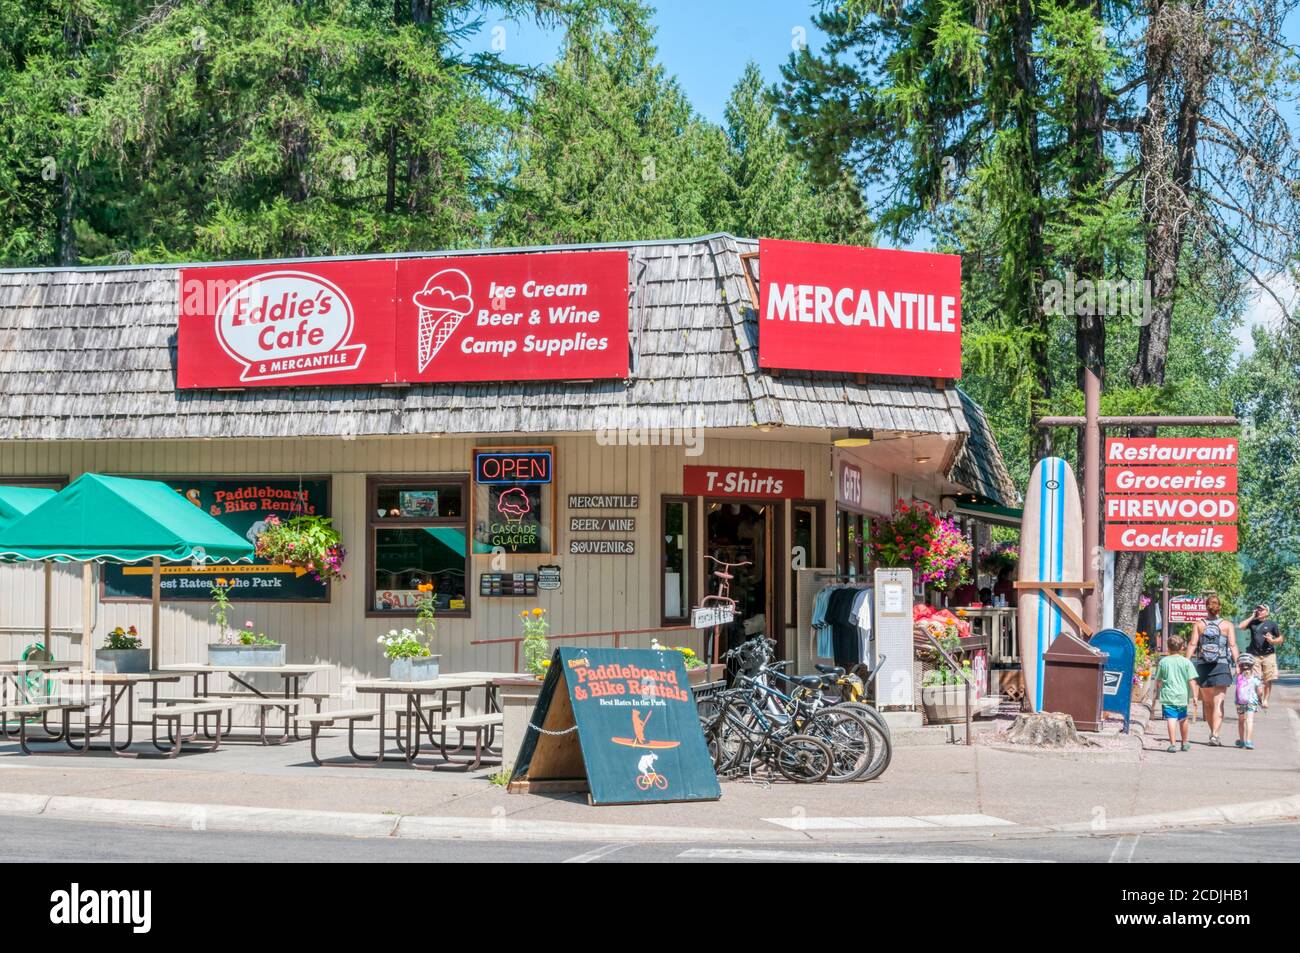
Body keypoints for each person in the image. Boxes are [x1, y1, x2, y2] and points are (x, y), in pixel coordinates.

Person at [1186, 594, 1239, 747]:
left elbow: (1192, 643)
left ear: (1206, 607)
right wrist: (1238, 664)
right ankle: (1215, 734)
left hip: (1203, 666)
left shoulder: (1199, 624)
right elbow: (1233, 646)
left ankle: (1213, 733)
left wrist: (1185, 661)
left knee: (1208, 704)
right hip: (1221, 666)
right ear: (1219, 607)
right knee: (1218, 703)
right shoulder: (1227, 625)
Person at [1152, 634, 1199, 752]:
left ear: (1168, 647)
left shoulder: (1164, 662)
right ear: (1182, 647)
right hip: (1182, 695)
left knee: (1171, 719)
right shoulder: (1186, 662)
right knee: (1183, 719)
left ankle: (1172, 744)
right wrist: (1195, 695)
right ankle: (1184, 742)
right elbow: (1192, 680)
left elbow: (1158, 680)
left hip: (1168, 695)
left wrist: (1157, 691)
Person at [1239, 604, 1283, 710]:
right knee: (1256, 679)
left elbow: (1280, 638)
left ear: (1267, 612)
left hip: (1269, 655)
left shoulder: (1272, 624)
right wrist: (1252, 616)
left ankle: (1266, 700)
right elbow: (1241, 627)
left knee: (1268, 679)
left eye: (1261, 610)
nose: (1258, 611)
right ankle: (1259, 696)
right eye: (1257, 609)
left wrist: (1272, 641)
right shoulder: (1253, 623)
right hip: (1255, 655)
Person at [1234, 654, 1263, 750]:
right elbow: (1260, 692)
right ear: (1252, 665)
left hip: (1240, 702)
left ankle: (1241, 741)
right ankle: (1249, 741)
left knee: (1241, 721)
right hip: (1251, 702)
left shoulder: (1238, 677)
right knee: (1249, 721)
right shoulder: (1256, 678)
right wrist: (1260, 698)